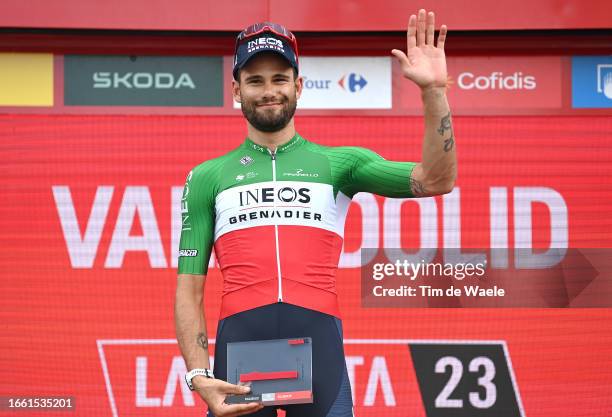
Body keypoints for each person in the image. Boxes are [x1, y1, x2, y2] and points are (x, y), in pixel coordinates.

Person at [175, 9, 456, 417]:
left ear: (299, 86)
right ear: (236, 90)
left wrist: (434, 91)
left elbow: (435, 179)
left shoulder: (340, 164)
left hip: (320, 351)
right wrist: (198, 375)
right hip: (239, 359)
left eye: (279, 79)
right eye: (254, 80)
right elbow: (189, 289)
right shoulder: (207, 177)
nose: (268, 90)